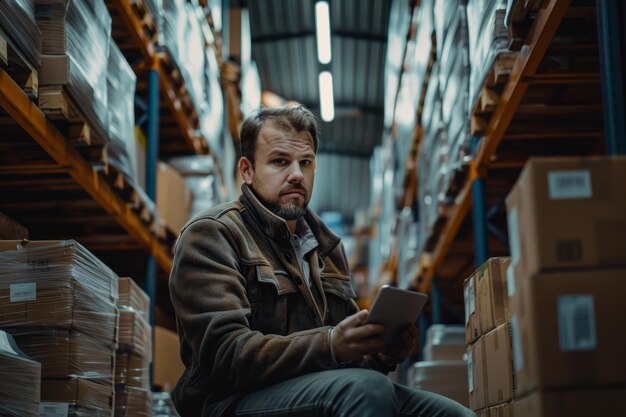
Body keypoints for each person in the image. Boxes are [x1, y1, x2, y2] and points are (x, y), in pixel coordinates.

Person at [169, 104, 475, 417]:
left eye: (306, 162)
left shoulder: (326, 248)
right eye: (280, 162)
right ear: (247, 170)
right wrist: (330, 344)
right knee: (367, 390)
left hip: (314, 389)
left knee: (454, 415)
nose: (297, 175)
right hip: (230, 402)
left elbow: (346, 359)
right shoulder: (213, 234)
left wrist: (380, 352)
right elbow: (225, 358)